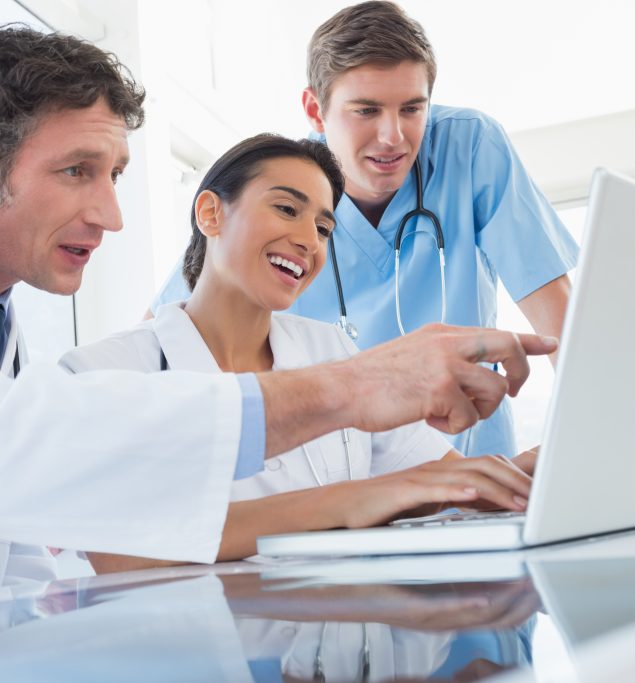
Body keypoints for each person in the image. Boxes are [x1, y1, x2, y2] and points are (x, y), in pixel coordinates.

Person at [0, 27, 557, 613]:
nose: (111, 215)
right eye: (78, 171)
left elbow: (18, 568)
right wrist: (356, 390)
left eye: (113, 174)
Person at [61, 134, 536, 573]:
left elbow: (451, 483)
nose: (310, 241)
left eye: (325, 228)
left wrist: (558, 464)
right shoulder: (103, 372)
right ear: (210, 214)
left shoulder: (330, 349)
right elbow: (117, 549)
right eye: (287, 209)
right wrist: (350, 502)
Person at [152, 1, 579, 459]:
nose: (393, 136)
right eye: (367, 110)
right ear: (315, 110)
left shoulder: (468, 147)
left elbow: (564, 327)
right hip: (337, 473)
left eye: (413, 108)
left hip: (471, 462)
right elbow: (169, 332)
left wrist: (590, 443)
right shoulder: (283, 185)